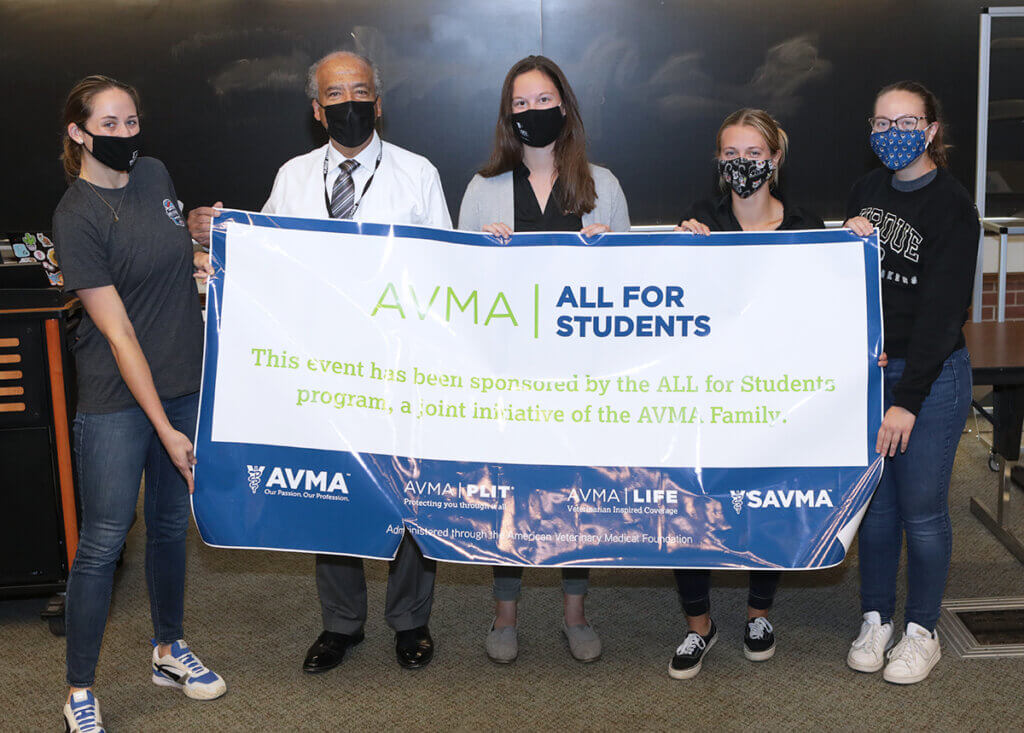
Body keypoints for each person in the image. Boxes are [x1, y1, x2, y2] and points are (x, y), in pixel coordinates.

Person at [188, 50, 451, 673]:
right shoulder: (293, 177)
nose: (349, 102)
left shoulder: (418, 174)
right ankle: (341, 624)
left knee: (404, 489)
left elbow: (445, 270)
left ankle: (410, 620)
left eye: (361, 90)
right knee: (331, 492)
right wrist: (218, 237)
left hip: (397, 368)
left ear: (378, 103)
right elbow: (265, 262)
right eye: (336, 94)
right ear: (317, 108)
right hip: (320, 371)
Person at [52, 75, 225, 733]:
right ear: (78, 131)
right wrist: (166, 429)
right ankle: (79, 689)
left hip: (181, 380)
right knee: (101, 540)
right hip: (117, 400)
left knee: (169, 525)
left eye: (131, 122)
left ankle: (168, 649)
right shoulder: (76, 216)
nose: (125, 136)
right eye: (110, 124)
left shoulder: (154, 173)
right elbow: (119, 335)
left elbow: (167, 255)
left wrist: (199, 244)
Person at [458, 55, 630, 664]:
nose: (534, 112)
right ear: (509, 114)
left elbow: (629, 287)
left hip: (578, 376)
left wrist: (608, 251)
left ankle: (574, 613)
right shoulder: (482, 189)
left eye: (544, 100)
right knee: (512, 490)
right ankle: (504, 615)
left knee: (573, 492)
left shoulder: (601, 185)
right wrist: (483, 253)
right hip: (508, 374)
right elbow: (459, 289)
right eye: (522, 103)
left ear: (565, 105)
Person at [669, 108, 824, 680]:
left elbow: (826, 312)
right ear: (718, 163)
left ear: (776, 159)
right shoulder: (699, 220)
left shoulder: (808, 225)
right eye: (730, 155)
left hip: (775, 396)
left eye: (753, 154)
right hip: (706, 397)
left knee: (766, 501)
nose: (742, 165)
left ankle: (759, 613)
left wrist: (853, 244)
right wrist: (682, 249)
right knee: (695, 500)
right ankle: (698, 626)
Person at [844, 81, 977, 684]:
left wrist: (909, 402)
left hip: (931, 375)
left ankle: (922, 630)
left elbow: (943, 314)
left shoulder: (952, 205)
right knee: (876, 511)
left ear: (930, 131)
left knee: (922, 512)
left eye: (906, 122)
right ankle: (877, 618)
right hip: (873, 373)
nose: (891, 133)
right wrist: (844, 243)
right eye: (880, 122)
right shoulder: (867, 192)